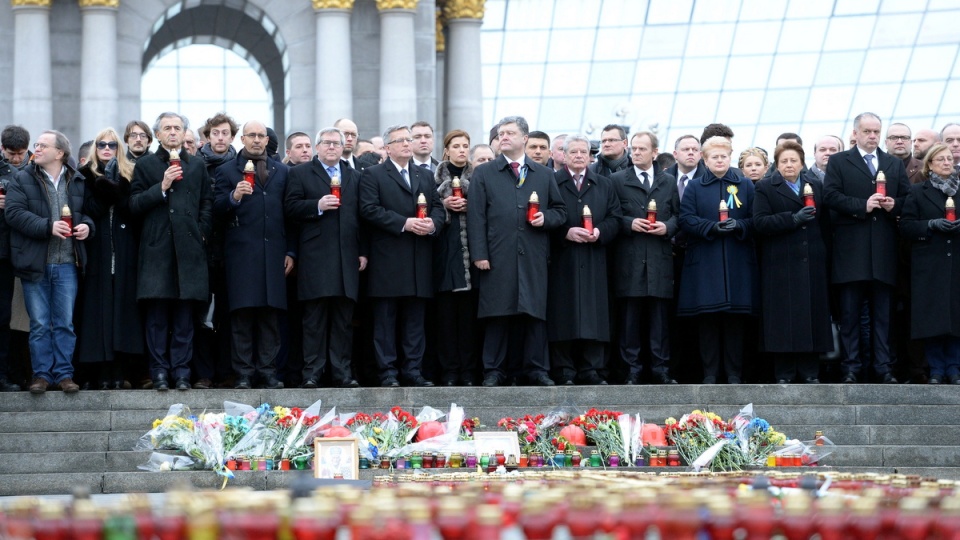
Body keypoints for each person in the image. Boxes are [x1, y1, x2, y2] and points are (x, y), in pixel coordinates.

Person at [467, 116, 566, 387]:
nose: (504, 137)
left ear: (524, 138)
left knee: (534, 314)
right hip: (497, 256)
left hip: (533, 255)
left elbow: (560, 211)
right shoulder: (484, 173)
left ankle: (536, 369)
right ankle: (494, 371)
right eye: (501, 133)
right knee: (497, 314)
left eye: (510, 133)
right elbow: (476, 216)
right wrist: (479, 254)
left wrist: (546, 218)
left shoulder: (544, 174)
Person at [823, 112, 909, 384]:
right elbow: (831, 196)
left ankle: (883, 368)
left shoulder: (893, 164)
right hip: (851, 253)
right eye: (868, 131)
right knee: (849, 315)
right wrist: (863, 205)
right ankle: (851, 367)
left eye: (876, 131)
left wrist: (896, 205)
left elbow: (908, 198)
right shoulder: (839, 161)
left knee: (883, 316)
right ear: (856, 133)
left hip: (884, 253)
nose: (873, 136)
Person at [129, 112, 213, 392]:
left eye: (178, 128)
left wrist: (202, 230)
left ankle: (181, 372)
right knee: (157, 318)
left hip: (189, 251)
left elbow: (206, 202)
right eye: (167, 128)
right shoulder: (146, 165)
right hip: (158, 251)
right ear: (159, 135)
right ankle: (159, 372)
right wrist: (161, 187)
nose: (173, 132)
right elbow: (135, 204)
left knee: (184, 319)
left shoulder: (197, 165)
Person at [7, 130, 93, 394]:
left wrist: (87, 227)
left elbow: (89, 215)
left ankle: (65, 374)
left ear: (60, 153)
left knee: (65, 322)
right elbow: (14, 213)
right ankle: (41, 375)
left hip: (68, 262)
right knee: (40, 324)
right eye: (37, 145)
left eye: (43, 145)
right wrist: (47, 226)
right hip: (36, 263)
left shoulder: (77, 180)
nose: (37, 148)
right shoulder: (22, 178)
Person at [359, 124, 444, 387]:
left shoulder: (424, 175)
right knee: (385, 320)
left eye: (409, 139)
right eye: (401, 141)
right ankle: (387, 372)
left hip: (419, 259)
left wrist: (433, 224)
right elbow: (369, 209)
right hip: (388, 259)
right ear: (387, 147)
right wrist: (404, 223)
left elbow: (438, 207)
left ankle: (413, 371)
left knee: (415, 321)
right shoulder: (373, 174)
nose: (408, 144)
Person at [285, 127, 365, 388]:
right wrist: (316, 206)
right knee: (314, 319)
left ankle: (341, 372)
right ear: (317, 147)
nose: (331, 147)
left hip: (347, 257)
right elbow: (290, 207)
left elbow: (362, 216)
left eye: (336, 143)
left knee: (343, 320)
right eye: (326, 143)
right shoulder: (299, 173)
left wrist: (363, 250)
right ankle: (312, 372)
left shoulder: (354, 176)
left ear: (343, 148)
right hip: (315, 257)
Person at [213, 120, 290, 390]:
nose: (257, 140)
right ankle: (244, 373)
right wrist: (234, 196)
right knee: (242, 317)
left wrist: (290, 251)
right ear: (242, 139)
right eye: (252, 136)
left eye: (261, 136)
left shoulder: (282, 171)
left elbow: (290, 214)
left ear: (267, 141)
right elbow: (215, 209)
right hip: (241, 255)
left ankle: (268, 372)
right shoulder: (226, 171)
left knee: (270, 317)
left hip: (274, 254)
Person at [678, 136, 757, 384]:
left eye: (724, 156)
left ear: (730, 157)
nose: (720, 160)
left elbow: (757, 218)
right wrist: (711, 227)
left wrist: (741, 224)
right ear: (705, 159)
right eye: (714, 157)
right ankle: (710, 373)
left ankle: (734, 373)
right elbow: (686, 218)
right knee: (708, 320)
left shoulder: (745, 185)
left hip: (737, 263)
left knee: (735, 319)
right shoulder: (695, 187)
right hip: (706, 265)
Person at [753, 140, 833, 384]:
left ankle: (810, 372)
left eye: (793, 160)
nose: (789, 165)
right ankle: (785, 373)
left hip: (812, 263)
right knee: (783, 319)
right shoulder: (766, 188)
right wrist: (793, 219)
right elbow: (760, 222)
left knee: (811, 317)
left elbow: (826, 225)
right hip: (780, 265)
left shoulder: (815, 186)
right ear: (777, 165)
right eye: (784, 161)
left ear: (802, 162)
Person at [546, 134, 621, 386]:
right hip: (562, 258)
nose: (579, 156)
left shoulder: (604, 184)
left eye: (583, 152)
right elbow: (542, 219)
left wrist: (600, 232)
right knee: (562, 312)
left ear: (590, 156)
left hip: (594, 257)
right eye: (573, 152)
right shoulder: (551, 182)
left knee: (594, 313)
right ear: (563, 156)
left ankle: (592, 368)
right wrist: (564, 232)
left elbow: (615, 218)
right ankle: (564, 369)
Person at [76, 128, 143, 389]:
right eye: (101, 144)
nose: (106, 149)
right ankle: (100, 373)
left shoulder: (131, 173)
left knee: (123, 315)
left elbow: (132, 210)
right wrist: (106, 187)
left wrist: (119, 186)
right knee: (98, 315)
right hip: (97, 255)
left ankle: (121, 372)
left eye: (112, 145)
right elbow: (89, 210)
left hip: (126, 254)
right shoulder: (85, 176)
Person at [612, 131, 679, 385]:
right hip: (630, 258)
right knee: (630, 319)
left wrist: (668, 228)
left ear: (654, 152)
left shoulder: (668, 181)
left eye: (642, 149)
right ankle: (632, 369)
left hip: (659, 259)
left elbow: (677, 215)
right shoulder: (618, 180)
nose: (636, 152)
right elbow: (611, 215)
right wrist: (629, 222)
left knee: (659, 318)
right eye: (634, 148)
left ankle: (660, 368)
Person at [900, 143, 960, 384]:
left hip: (956, 263)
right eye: (941, 159)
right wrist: (930, 225)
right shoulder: (917, 192)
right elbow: (906, 226)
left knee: (956, 317)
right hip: (929, 265)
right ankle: (936, 368)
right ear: (930, 164)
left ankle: (954, 368)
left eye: (949, 159)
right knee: (933, 319)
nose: (947, 163)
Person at [195, 112, 238, 389]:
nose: (220, 138)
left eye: (225, 133)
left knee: (228, 313)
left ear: (232, 137)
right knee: (200, 314)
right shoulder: (195, 165)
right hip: (201, 248)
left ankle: (227, 370)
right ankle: (203, 372)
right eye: (215, 133)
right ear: (207, 137)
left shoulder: (240, 165)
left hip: (232, 249)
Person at [434, 129, 480, 386]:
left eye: (466, 145)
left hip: (473, 257)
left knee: (469, 320)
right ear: (447, 149)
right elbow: (425, 209)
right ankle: (449, 371)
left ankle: (469, 371)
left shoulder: (479, 179)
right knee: (446, 320)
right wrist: (444, 205)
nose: (462, 150)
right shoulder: (433, 179)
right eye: (457, 146)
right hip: (445, 256)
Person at [0, 125, 30, 392]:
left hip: (21, 254)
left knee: (13, 318)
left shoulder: (35, 170)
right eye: (12, 154)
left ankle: (12, 373)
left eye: (21, 154)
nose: (17, 159)